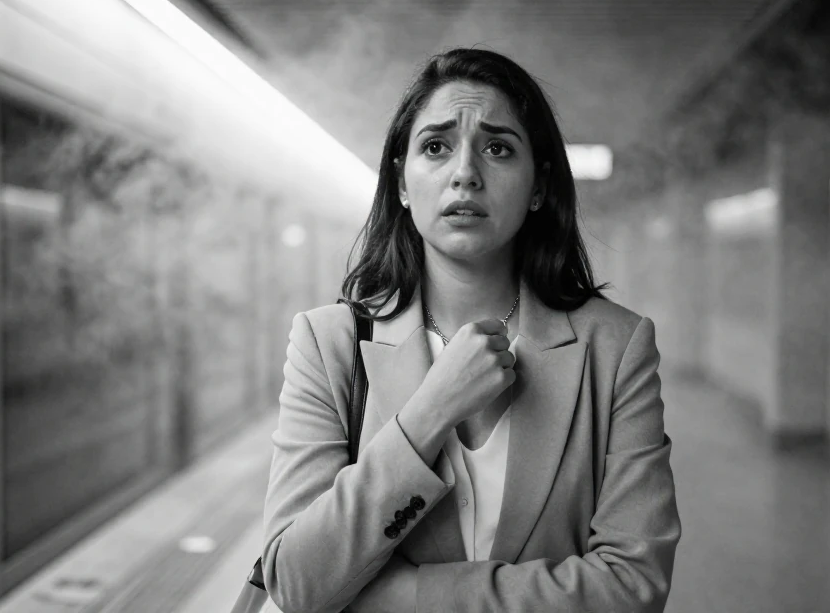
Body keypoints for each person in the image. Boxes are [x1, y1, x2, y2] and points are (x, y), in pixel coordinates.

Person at [259, 48, 680, 612]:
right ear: (403, 184)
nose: (465, 173)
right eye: (435, 147)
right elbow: (295, 582)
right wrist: (430, 411)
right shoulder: (328, 343)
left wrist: (405, 599)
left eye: (498, 148)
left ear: (538, 186)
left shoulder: (616, 348)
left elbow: (633, 586)